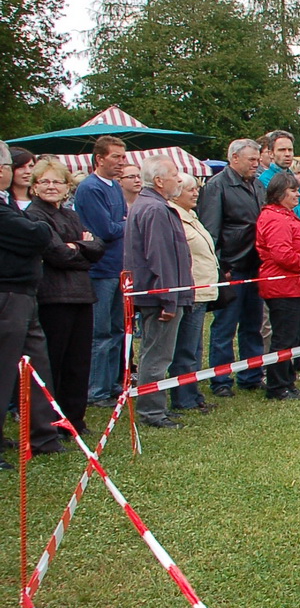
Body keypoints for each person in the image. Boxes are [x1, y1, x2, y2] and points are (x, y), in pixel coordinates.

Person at [0, 145, 66, 463]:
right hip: (8, 295)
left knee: (37, 366)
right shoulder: (6, 209)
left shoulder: (9, 204)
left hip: (25, 292)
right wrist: (38, 231)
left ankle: (44, 435)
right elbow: (37, 234)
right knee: (4, 371)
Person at [26, 159, 101, 434]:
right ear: (34, 187)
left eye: (57, 181)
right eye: (44, 181)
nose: (51, 186)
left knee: (78, 362)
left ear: (67, 187)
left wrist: (77, 248)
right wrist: (83, 248)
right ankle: (52, 421)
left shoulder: (71, 215)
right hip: (53, 297)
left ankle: (75, 420)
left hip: (82, 295)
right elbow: (56, 253)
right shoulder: (34, 215)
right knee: (53, 361)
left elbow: (98, 247)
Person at [124, 159, 194, 430]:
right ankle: (152, 411)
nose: (179, 180)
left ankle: (155, 407)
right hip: (160, 295)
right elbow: (160, 257)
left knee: (157, 352)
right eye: (175, 175)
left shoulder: (151, 206)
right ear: (159, 181)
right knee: (157, 355)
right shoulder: (154, 209)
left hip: (159, 293)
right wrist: (169, 298)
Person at [197, 138, 267, 396]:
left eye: (257, 159)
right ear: (234, 158)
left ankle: (251, 374)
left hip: (255, 265)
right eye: (251, 159)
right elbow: (210, 230)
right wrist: (220, 267)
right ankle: (221, 380)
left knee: (253, 325)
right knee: (225, 327)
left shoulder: (257, 185)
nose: (256, 164)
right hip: (231, 266)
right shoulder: (217, 186)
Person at [255, 171, 300, 399]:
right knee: (284, 338)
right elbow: (281, 254)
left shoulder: (287, 216)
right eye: (293, 190)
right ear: (279, 193)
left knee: (292, 337)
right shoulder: (275, 219)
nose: (298, 194)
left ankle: (288, 381)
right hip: (284, 287)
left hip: (297, 285)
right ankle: (277, 386)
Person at [74, 134, 128, 404]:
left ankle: (111, 382)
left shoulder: (115, 187)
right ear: (100, 158)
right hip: (100, 270)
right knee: (101, 332)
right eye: (116, 157)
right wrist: (127, 223)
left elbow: (117, 223)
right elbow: (105, 229)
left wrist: (122, 223)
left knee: (117, 330)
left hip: (118, 268)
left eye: (123, 157)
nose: (121, 162)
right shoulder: (90, 188)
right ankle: (96, 390)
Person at [162, 173, 220, 415]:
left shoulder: (191, 216)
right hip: (191, 291)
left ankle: (193, 393)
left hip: (203, 289)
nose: (196, 193)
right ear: (177, 193)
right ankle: (183, 397)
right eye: (190, 189)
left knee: (195, 347)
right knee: (185, 347)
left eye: (197, 189)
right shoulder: (174, 217)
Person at [259, 130, 300, 230]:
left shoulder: (294, 179)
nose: (287, 154)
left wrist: (294, 210)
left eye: (290, 150)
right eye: (282, 150)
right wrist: (298, 211)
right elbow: (279, 212)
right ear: (271, 153)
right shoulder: (265, 180)